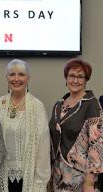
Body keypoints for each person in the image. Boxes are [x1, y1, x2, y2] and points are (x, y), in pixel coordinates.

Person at [0, 59, 51, 192]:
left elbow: (44, 148)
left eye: (21, 74)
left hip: (29, 179)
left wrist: (39, 183)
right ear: (6, 78)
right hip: (2, 176)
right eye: (12, 74)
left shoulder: (37, 106)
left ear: (28, 78)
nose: (16, 79)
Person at [49, 58, 103, 192]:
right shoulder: (59, 104)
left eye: (80, 77)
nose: (75, 80)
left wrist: (90, 182)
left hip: (80, 176)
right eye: (72, 75)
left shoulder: (91, 104)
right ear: (66, 78)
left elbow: (97, 145)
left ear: (86, 80)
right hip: (57, 174)